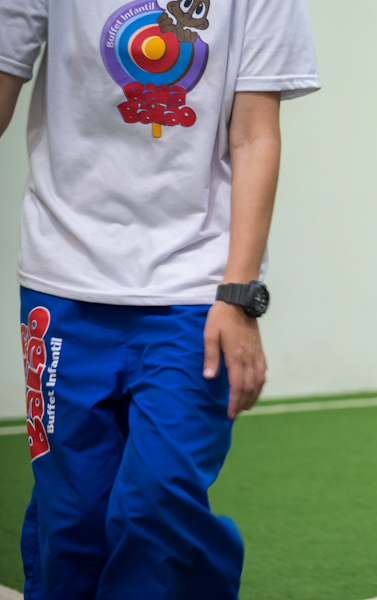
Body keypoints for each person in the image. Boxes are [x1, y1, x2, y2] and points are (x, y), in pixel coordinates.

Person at [0, 0, 319, 597]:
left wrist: (240, 295)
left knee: (160, 499)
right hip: (62, 278)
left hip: (194, 287)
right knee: (73, 512)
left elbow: (255, 134)